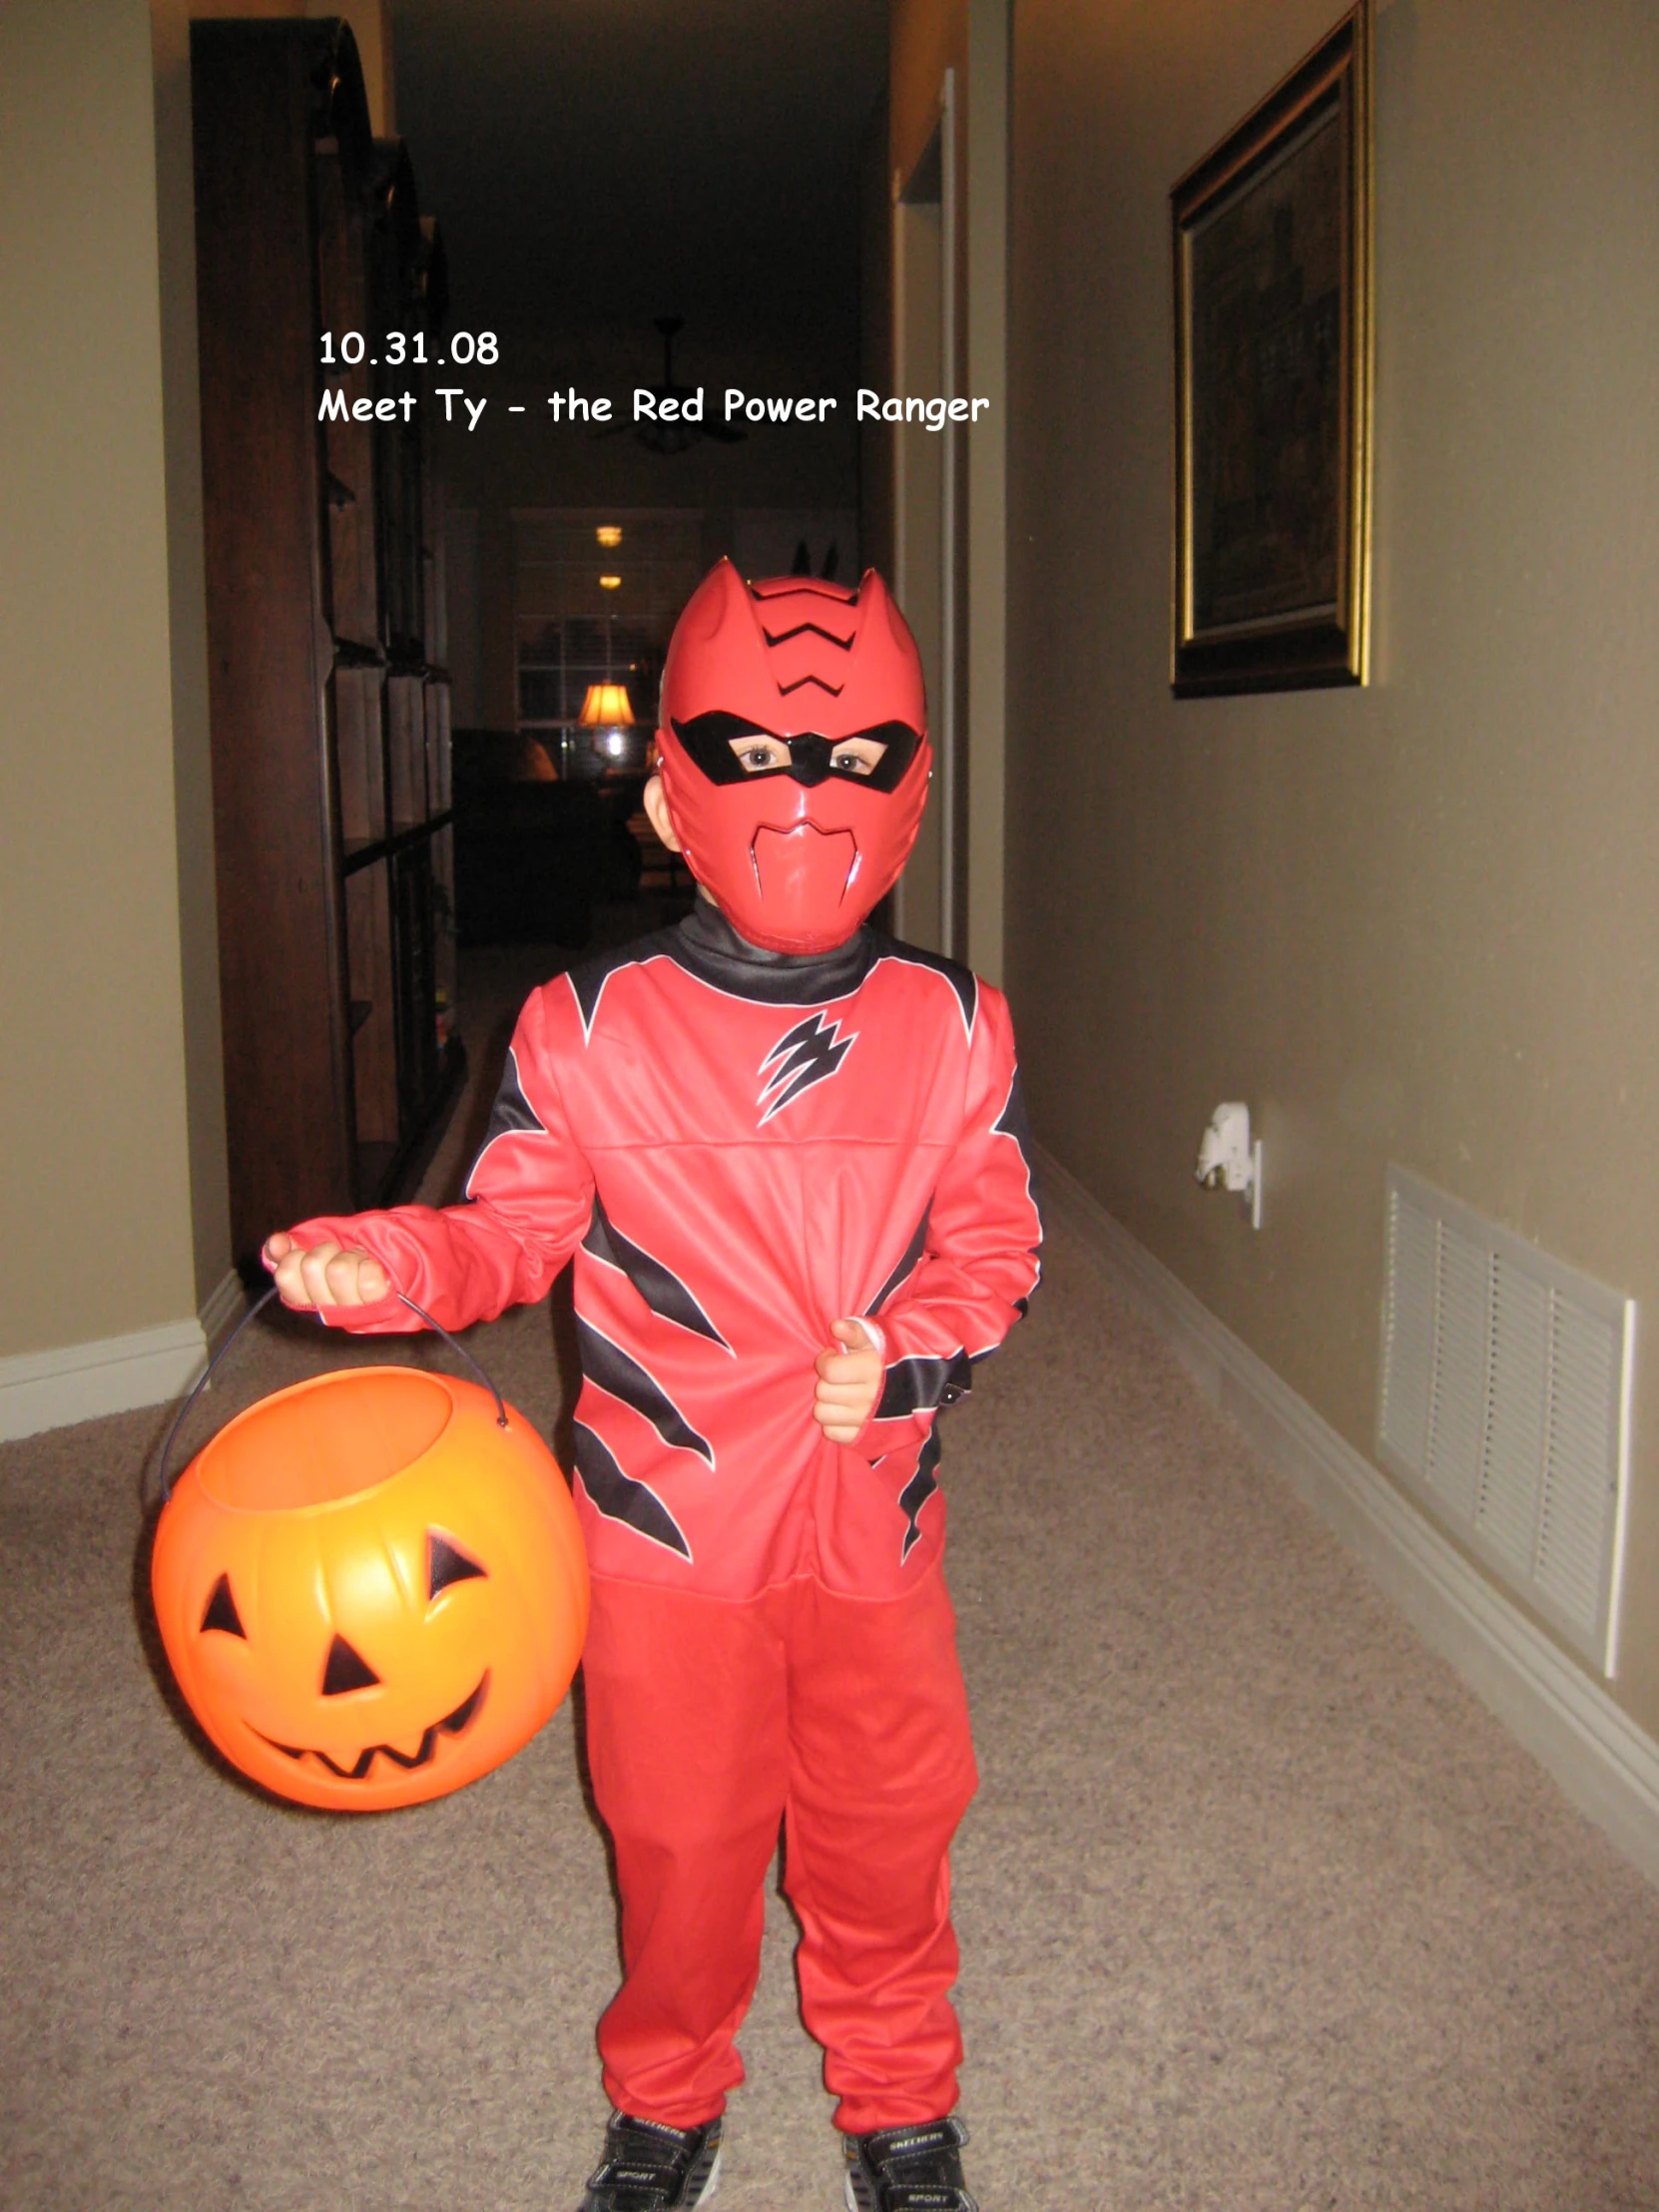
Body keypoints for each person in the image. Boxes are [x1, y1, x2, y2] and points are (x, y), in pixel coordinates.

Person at [265, 560, 1042, 2212]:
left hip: (872, 1526)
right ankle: (668, 2094)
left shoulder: (954, 1027)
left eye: (845, 757)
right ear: (679, 802)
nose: (803, 797)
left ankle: (898, 2097)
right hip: (663, 1538)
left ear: (906, 783)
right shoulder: (584, 1026)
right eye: (753, 758)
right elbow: (507, 1237)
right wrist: (390, 1266)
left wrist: (913, 1355)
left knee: (888, 1826)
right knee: (681, 1843)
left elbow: (994, 1247)